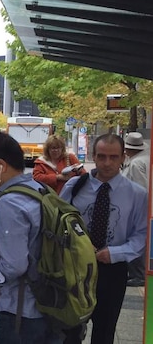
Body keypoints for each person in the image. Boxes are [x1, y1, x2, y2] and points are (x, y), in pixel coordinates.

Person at [0, 130, 61, 344]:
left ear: (0, 166)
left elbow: (15, 265)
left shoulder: (10, 203)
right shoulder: (38, 189)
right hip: (48, 306)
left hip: (20, 314)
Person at [60, 133, 147, 344]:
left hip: (112, 271)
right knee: (69, 330)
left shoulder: (137, 194)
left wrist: (116, 253)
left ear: (123, 157)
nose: (107, 163)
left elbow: (142, 234)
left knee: (105, 331)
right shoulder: (74, 187)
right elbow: (58, 222)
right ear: (93, 156)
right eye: (101, 156)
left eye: (113, 157)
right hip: (75, 269)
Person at [121, 132, 149, 287]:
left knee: (135, 240)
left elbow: (140, 189)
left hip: (137, 209)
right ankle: (139, 273)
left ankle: (138, 274)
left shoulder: (136, 163)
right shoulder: (145, 159)